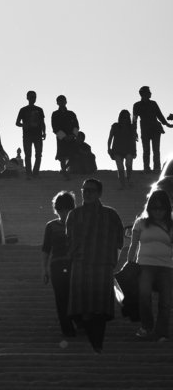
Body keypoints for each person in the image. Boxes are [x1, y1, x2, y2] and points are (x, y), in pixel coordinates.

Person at [65, 177, 124, 353]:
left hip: (102, 265)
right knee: (83, 307)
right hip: (81, 265)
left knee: (99, 309)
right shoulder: (74, 214)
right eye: (84, 189)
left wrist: (112, 261)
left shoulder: (110, 214)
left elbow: (119, 241)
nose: (86, 193)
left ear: (99, 193)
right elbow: (69, 239)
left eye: (91, 190)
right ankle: (91, 340)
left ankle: (97, 343)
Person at [125, 190, 173, 342]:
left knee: (165, 301)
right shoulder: (141, 223)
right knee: (144, 295)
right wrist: (129, 263)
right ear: (149, 208)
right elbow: (133, 246)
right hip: (145, 265)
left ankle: (162, 331)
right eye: (154, 208)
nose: (158, 211)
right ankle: (146, 326)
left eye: (161, 208)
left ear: (167, 209)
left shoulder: (171, 225)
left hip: (166, 266)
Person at [41, 191, 77, 338]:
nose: (64, 213)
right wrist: (44, 270)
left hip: (75, 266)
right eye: (61, 209)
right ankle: (67, 330)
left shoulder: (78, 225)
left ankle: (79, 322)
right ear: (56, 210)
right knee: (61, 299)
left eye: (67, 209)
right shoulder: (50, 226)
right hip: (56, 266)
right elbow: (46, 249)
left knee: (75, 296)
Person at [133, 86, 172, 174]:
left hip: (155, 129)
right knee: (146, 150)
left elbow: (159, 115)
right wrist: (134, 131)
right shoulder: (137, 105)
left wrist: (167, 124)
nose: (150, 94)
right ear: (143, 94)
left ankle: (157, 168)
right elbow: (134, 120)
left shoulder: (153, 103)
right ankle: (146, 168)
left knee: (156, 150)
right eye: (148, 92)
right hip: (145, 130)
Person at [15, 90, 46, 179]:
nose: (33, 98)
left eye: (34, 97)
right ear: (27, 98)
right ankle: (29, 173)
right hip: (27, 135)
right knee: (28, 155)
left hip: (37, 135)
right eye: (31, 97)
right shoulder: (23, 110)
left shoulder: (40, 110)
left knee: (38, 154)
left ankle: (35, 173)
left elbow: (42, 122)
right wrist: (24, 125)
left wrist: (44, 132)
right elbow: (17, 123)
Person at [107, 109, 138, 189]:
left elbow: (133, 140)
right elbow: (110, 138)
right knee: (120, 167)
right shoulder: (115, 126)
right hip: (117, 150)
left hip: (129, 149)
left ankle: (129, 180)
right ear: (120, 117)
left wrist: (135, 150)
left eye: (126, 117)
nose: (125, 119)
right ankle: (122, 184)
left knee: (128, 164)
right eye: (123, 117)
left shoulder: (131, 127)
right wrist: (108, 148)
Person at [51, 95, 79, 180]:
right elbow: (54, 128)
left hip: (71, 138)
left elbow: (77, 126)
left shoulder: (71, 113)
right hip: (61, 139)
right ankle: (64, 172)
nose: (62, 102)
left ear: (66, 102)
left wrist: (73, 135)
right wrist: (64, 137)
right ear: (57, 103)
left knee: (73, 155)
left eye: (63, 101)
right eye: (60, 101)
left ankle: (65, 170)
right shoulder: (55, 114)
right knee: (62, 157)